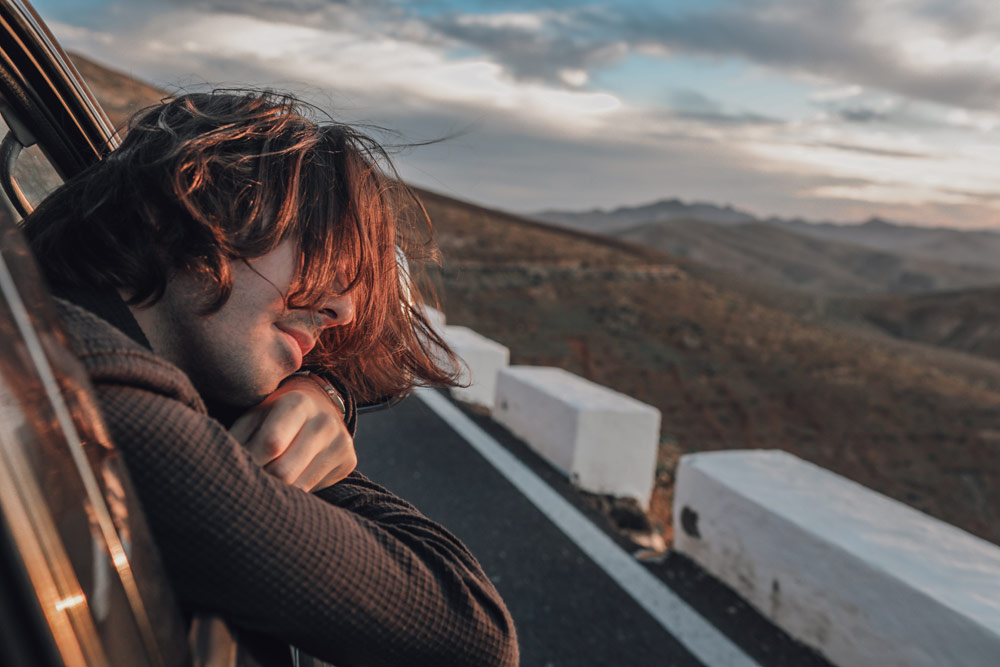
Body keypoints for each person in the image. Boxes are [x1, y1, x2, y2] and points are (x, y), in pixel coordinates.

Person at [23, 90, 519, 666]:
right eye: (318, 246)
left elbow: (368, 369)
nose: (342, 310)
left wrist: (322, 392)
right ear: (183, 205)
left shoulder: (59, 335)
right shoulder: (93, 401)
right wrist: (284, 438)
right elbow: (470, 632)